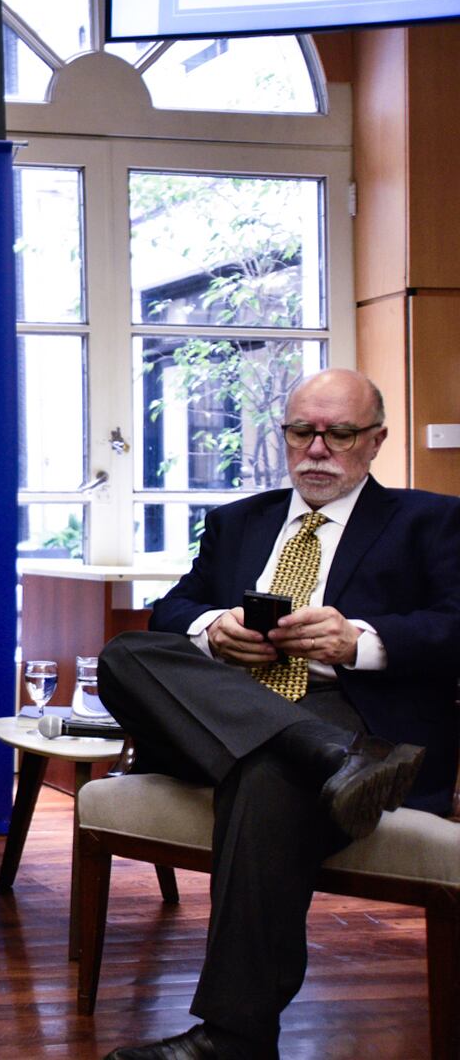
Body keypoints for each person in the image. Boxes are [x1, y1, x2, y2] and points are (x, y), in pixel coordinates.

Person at [96, 368, 460, 1060]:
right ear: (285, 436)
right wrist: (213, 628)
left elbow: (456, 624)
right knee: (125, 653)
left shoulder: (430, 521)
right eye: (302, 431)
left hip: (353, 704)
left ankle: (235, 1038)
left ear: (375, 440)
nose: (317, 448)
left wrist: (362, 642)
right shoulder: (240, 520)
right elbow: (170, 610)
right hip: (234, 700)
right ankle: (330, 758)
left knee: (266, 772)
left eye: (339, 433)